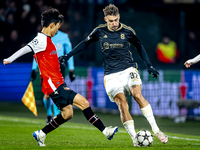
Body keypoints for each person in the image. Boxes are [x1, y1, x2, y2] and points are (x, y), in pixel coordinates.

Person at [3, 7, 118, 146]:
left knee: (67, 113)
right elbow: (26, 48)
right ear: (51, 25)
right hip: (53, 84)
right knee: (84, 103)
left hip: (58, 82)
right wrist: (10, 58)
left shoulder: (48, 40)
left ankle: (41, 134)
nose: (58, 30)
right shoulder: (41, 39)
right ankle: (106, 131)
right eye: (57, 26)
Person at [59, 4, 168, 146]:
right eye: (111, 21)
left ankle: (156, 130)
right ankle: (135, 138)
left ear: (119, 17)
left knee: (137, 95)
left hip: (129, 70)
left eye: (116, 20)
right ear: (105, 19)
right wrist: (68, 56)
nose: (114, 23)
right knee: (122, 104)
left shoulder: (127, 31)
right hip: (111, 75)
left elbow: (139, 45)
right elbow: (85, 43)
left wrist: (149, 65)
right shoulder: (99, 31)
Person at [31, 29, 76, 123]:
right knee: (47, 95)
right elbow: (37, 53)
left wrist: (71, 69)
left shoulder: (64, 36)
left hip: (59, 68)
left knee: (58, 92)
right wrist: (34, 68)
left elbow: (69, 52)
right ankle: (48, 114)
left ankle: (55, 117)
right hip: (45, 67)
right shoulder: (42, 37)